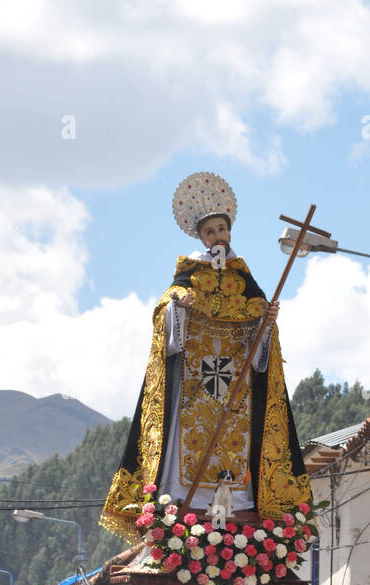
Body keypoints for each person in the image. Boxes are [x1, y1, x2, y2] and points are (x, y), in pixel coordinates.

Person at [101, 171, 311, 539]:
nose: (217, 237)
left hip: (235, 392)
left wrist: (267, 321)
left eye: (221, 230)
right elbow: (165, 322)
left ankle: (239, 509)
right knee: (184, 447)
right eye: (210, 232)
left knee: (236, 450)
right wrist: (177, 308)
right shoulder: (187, 276)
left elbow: (262, 342)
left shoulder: (244, 278)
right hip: (194, 387)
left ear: (230, 232)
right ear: (200, 237)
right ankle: (180, 501)